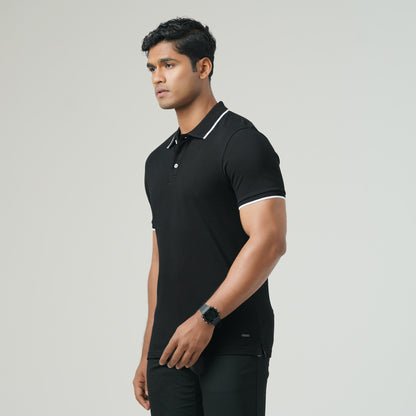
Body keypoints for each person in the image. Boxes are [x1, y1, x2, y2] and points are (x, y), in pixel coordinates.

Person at [132, 17, 287, 416]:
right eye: (152, 68)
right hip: (168, 349)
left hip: (233, 341)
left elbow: (269, 241)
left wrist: (206, 318)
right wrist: (149, 348)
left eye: (169, 65)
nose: (157, 78)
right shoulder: (156, 161)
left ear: (203, 67)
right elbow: (160, 261)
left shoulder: (241, 143)